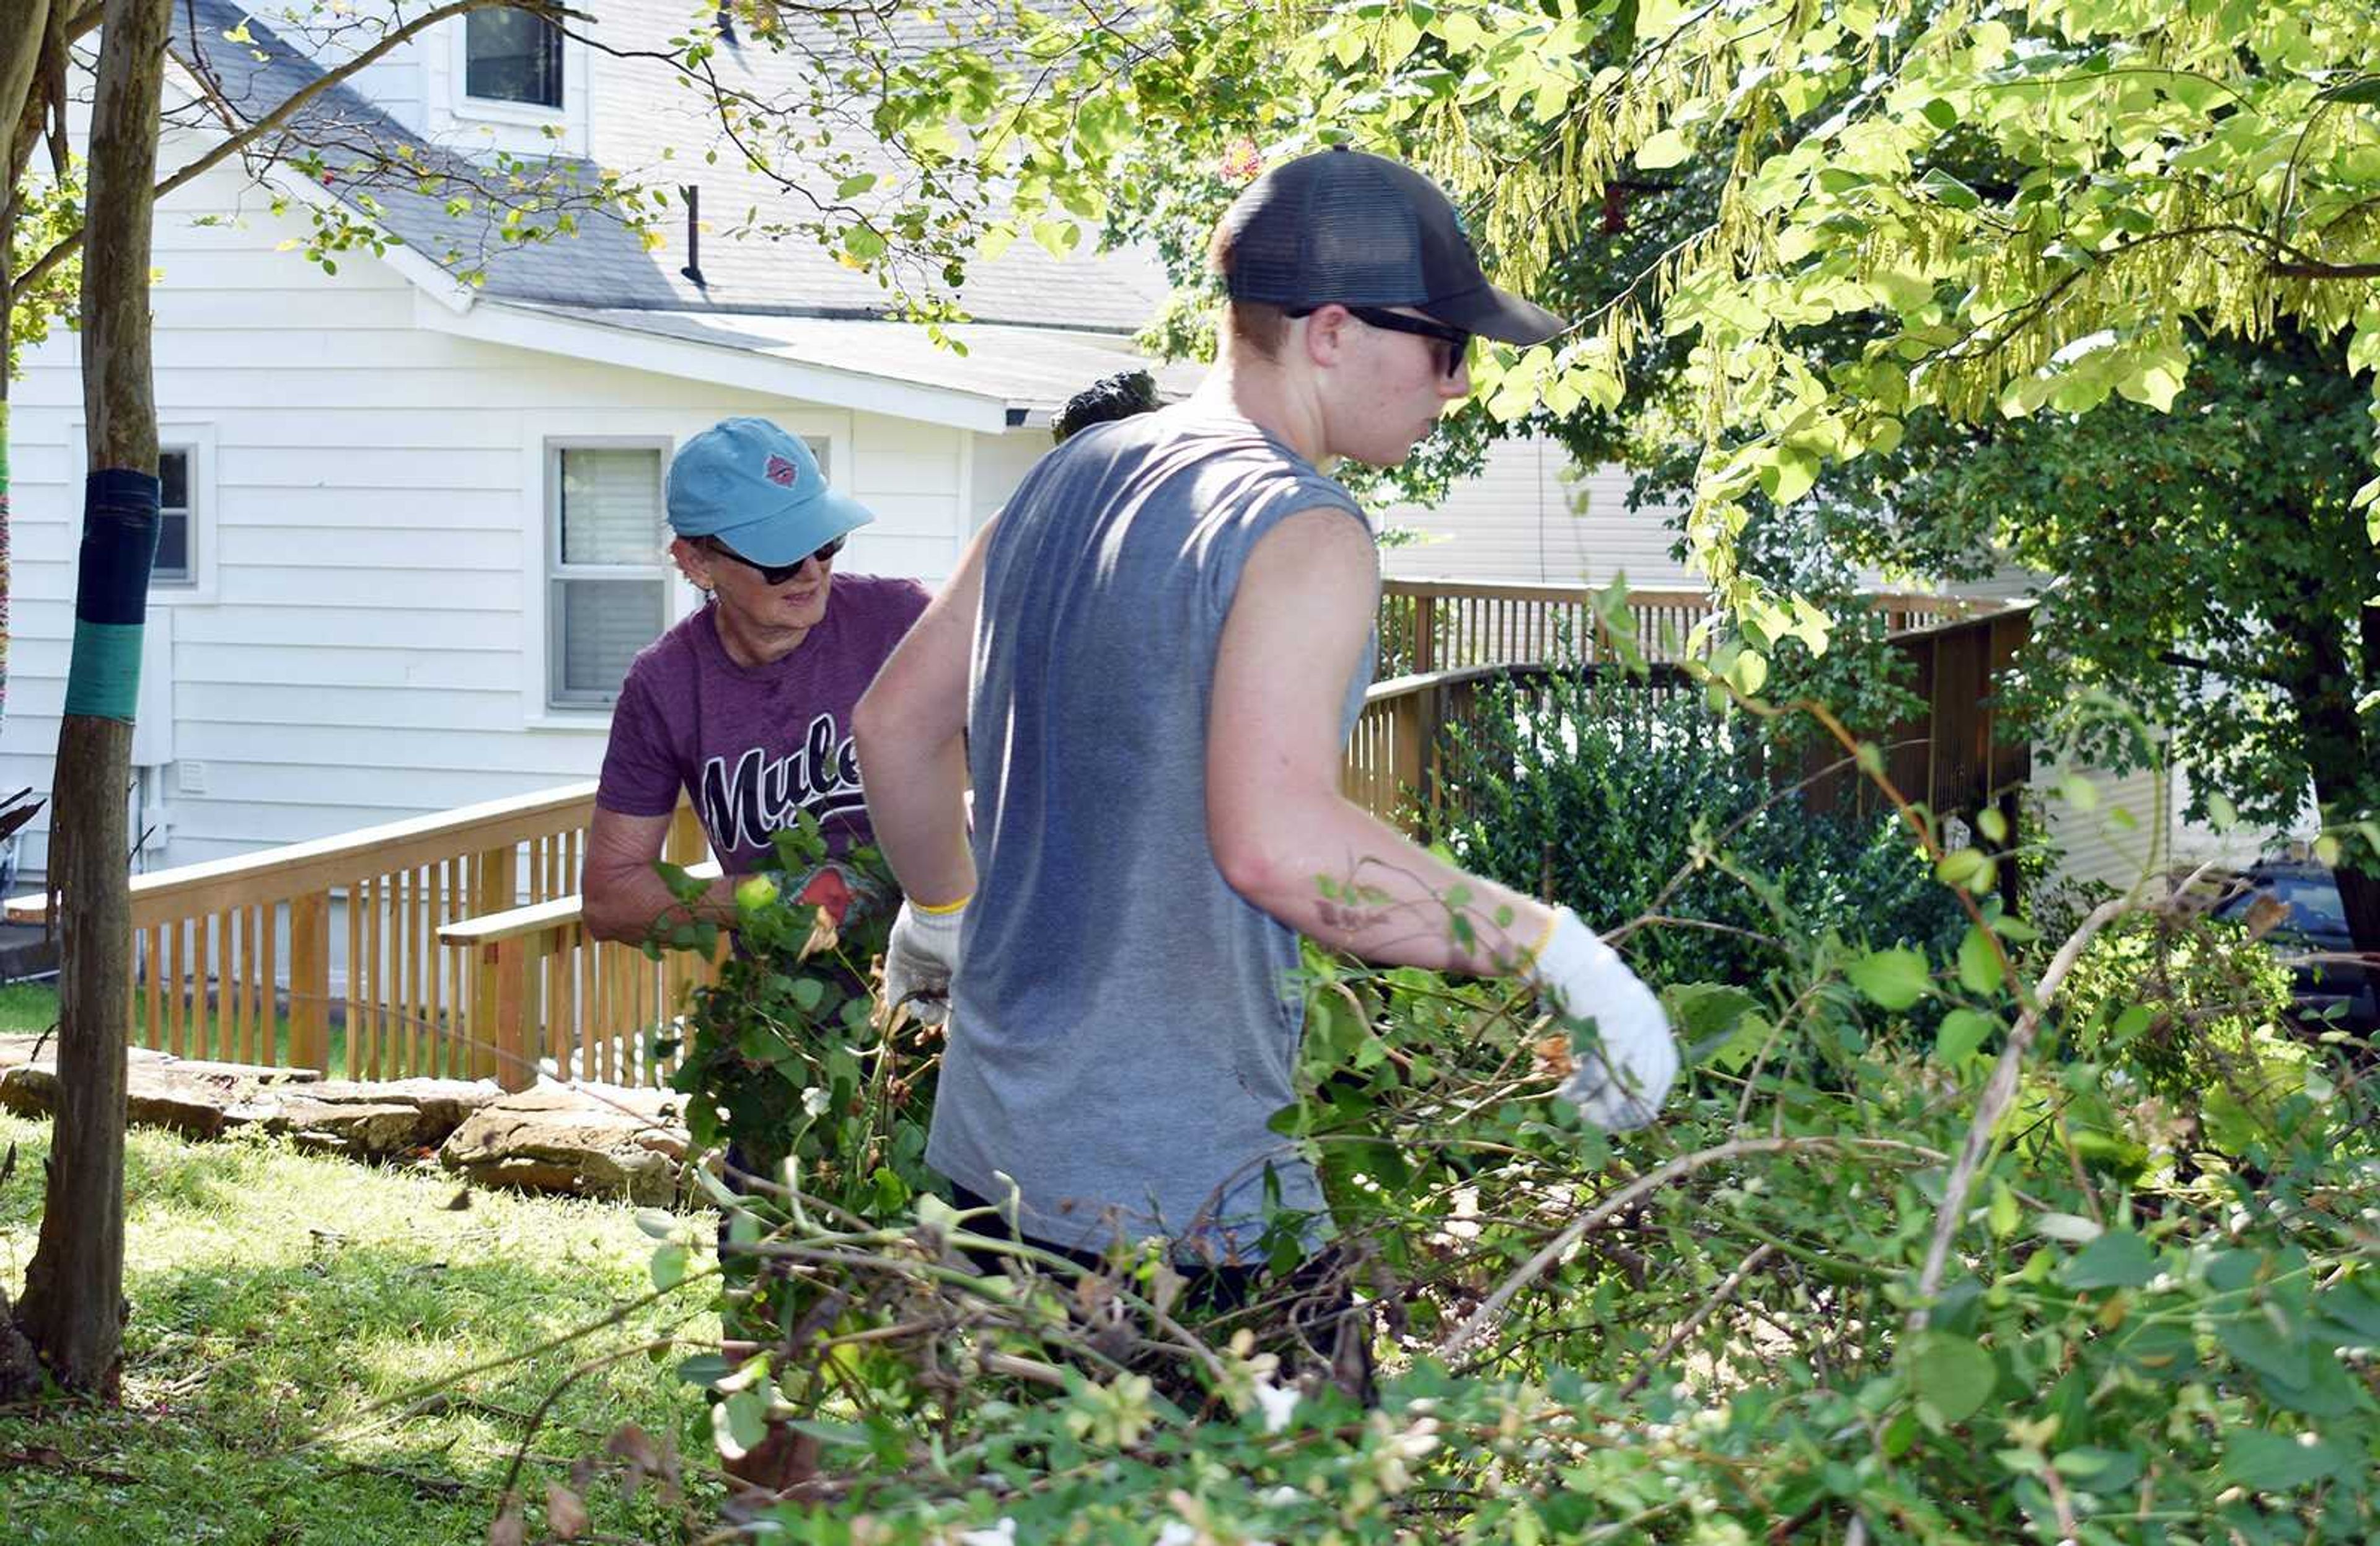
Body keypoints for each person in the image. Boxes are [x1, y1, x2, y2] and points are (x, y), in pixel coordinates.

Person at [853, 148, 1679, 1283]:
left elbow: (894, 724)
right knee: (1338, 1456)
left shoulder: (1071, 473)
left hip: (984, 1171)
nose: (1458, 384)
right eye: (1447, 346)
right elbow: (1281, 847)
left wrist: (943, 911)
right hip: (1177, 1204)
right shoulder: (1303, 528)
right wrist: (1554, 949)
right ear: (1331, 331)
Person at [584, 417, 928, 944]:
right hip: (790, 1015)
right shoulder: (666, 684)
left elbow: (1023, 780)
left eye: (825, 542)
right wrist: (771, 895)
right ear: (696, 561)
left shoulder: (901, 623)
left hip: (945, 985)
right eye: (781, 558)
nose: (812, 571)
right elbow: (611, 898)